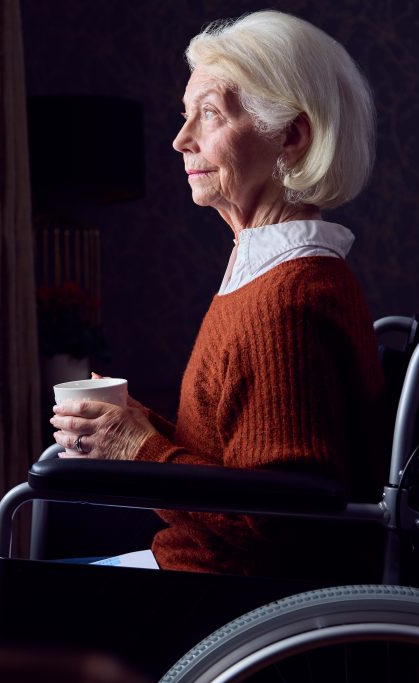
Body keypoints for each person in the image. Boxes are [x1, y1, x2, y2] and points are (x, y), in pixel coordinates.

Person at [50, 10, 389, 582]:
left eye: (208, 115)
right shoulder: (270, 273)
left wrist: (138, 447)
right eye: (187, 117)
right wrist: (134, 426)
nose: (182, 140)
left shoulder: (286, 302)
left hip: (218, 600)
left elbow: (280, 522)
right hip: (197, 573)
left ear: (292, 136)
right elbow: (237, 458)